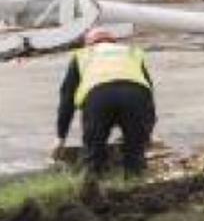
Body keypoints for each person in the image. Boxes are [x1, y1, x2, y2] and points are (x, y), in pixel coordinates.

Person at [55, 27, 156, 177]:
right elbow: (148, 90)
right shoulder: (131, 52)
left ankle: (92, 188)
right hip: (136, 95)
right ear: (114, 42)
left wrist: (61, 137)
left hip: (99, 97)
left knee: (94, 151)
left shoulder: (83, 54)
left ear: (88, 44)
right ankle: (134, 188)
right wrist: (147, 129)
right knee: (135, 152)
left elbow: (67, 98)